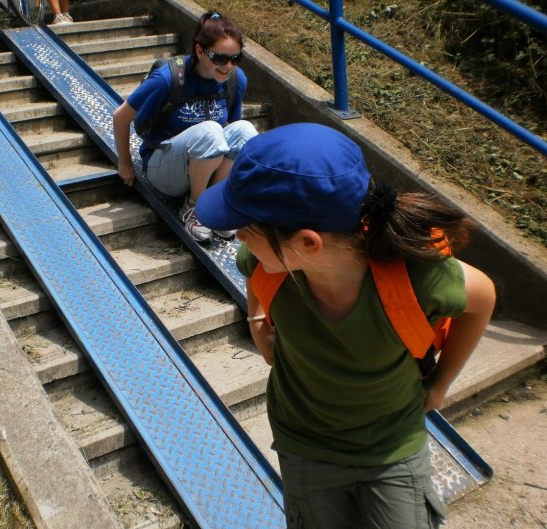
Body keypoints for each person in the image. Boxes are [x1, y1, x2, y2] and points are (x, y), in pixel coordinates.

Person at [195, 123, 496, 529]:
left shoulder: (417, 278)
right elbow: (250, 268)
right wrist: (257, 322)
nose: (239, 238)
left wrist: (441, 384)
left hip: (392, 447)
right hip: (305, 446)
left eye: (246, 228)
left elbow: (482, 297)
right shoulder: (270, 265)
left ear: (308, 243)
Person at [113, 12, 257, 243]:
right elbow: (120, 117)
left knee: (246, 131)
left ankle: (216, 203)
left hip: (203, 162)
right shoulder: (167, 78)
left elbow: (234, 130)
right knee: (210, 131)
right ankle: (196, 208)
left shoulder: (235, 80)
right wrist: (125, 162)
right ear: (200, 51)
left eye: (235, 58)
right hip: (164, 166)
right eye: (220, 58)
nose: (228, 66)